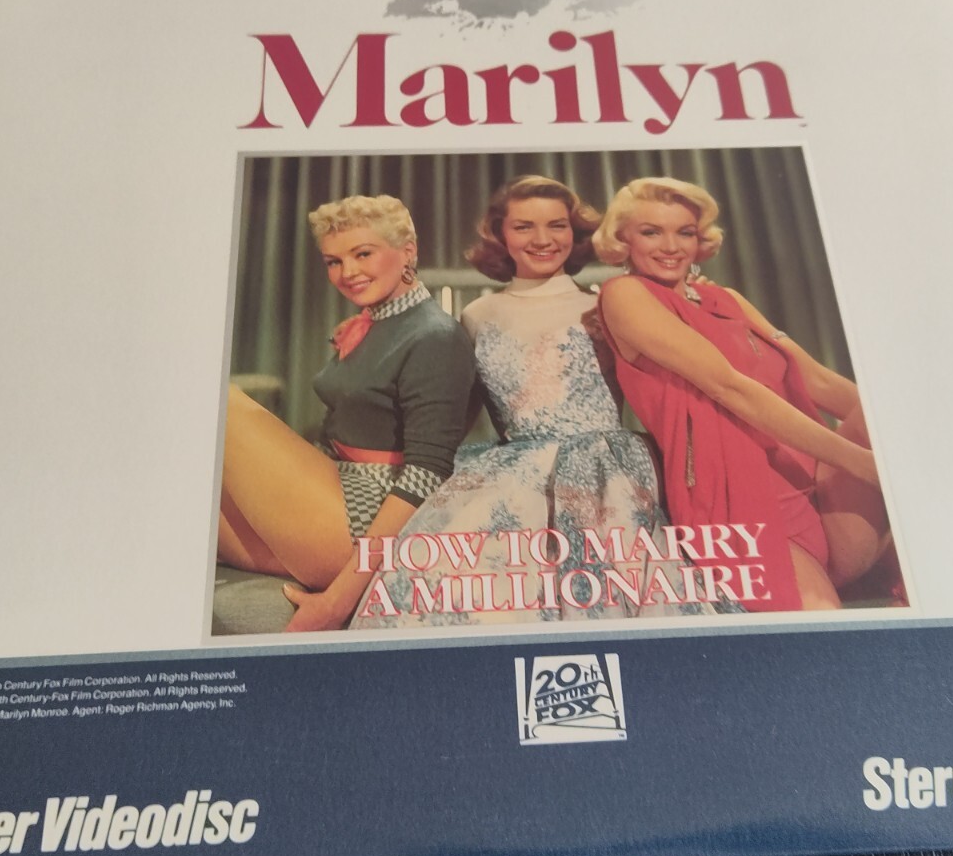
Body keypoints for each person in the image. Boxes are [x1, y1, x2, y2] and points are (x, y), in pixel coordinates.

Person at [354, 176, 708, 626]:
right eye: (524, 227)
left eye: (557, 225)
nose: (543, 239)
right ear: (500, 235)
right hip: (513, 479)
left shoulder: (609, 304)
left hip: (608, 474)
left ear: (574, 232)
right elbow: (453, 418)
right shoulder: (476, 316)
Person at [593, 177, 890, 612]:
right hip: (739, 497)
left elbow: (818, 381)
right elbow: (729, 387)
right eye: (651, 232)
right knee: (822, 626)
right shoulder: (625, 295)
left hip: (814, 477)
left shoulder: (725, 298)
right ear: (623, 240)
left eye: (685, 232)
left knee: (891, 402)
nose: (670, 246)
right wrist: (863, 463)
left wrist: (896, 428)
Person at [218, 194, 474, 632]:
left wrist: (336, 603)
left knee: (225, 401)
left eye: (363, 254)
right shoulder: (372, 322)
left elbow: (428, 473)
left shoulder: (436, 336)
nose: (348, 272)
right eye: (333, 262)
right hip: (336, 486)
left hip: (367, 519)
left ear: (407, 251)